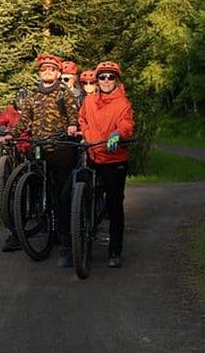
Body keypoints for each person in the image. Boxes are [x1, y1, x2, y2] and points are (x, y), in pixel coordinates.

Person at [1, 54, 79, 267]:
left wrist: (72, 126)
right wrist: (11, 133)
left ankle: (67, 243)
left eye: (52, 69)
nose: (48, 72)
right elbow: (24, 119)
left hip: (61, 149)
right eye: (44, 69)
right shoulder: (33, 95)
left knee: (63, 196)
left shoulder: (64, 93)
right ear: (40, 72)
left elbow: (73, 114)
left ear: (57, 73)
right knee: (42, 189)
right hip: (40, 148)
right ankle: (44, 229)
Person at [78, 61, 135, 268]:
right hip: (93, 153)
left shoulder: (123, 103)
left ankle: (114, 250)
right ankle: (75, 239)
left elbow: (127, 124)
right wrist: (86, 135)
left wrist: (118, 134)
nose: (106, 81)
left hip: (114, 159)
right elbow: (82, 119)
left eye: (111, 77)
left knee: (114, 204)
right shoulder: (90, 101)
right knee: (76, 193)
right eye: (102, 77)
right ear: (97, 79)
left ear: (117, 80)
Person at [0, 88, 32, 252]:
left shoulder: (34, 111)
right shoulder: (10, 111)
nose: (22, 111)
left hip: (30, 146)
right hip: (15, 146)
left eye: (25, 109)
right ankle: (13, 193)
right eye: (19, 109)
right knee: (15, 172)